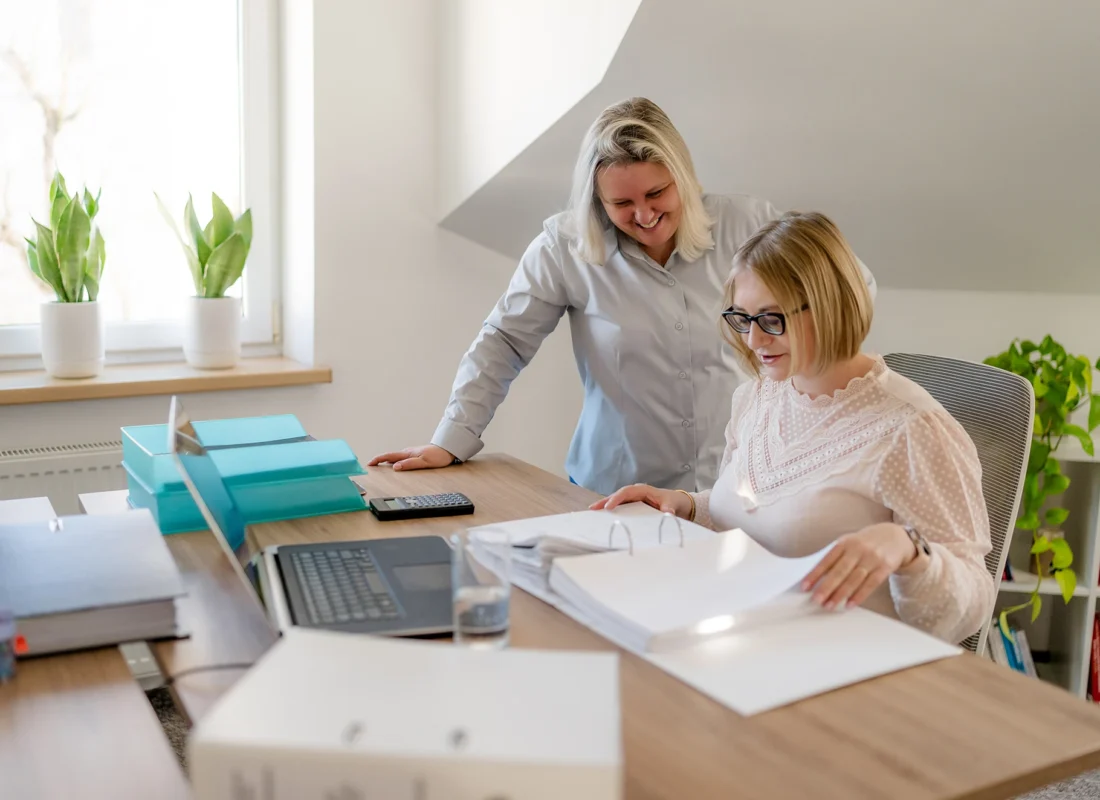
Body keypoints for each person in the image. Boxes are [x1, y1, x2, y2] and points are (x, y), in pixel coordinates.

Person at [370, 97, 876, 495]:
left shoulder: (748, 224)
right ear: (596, 200)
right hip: (609, 492)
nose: (644, 215)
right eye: (621, 203)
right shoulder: (563, 247)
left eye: (657, 193)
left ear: (683, 177)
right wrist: (450, 441)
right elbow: (503, 342)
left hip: (740, 487)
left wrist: (811, 394)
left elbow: (848, 288)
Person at [592, 211, 994, 644]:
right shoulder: (757, 396)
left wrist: (909, 548)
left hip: (850, 669)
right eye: (742, 318)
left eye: (771, 319)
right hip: (748, 641)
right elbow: (754, 510)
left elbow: (973, 602)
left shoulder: (913, 430)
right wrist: (687, 505)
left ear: (830, 307)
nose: (752, 340)